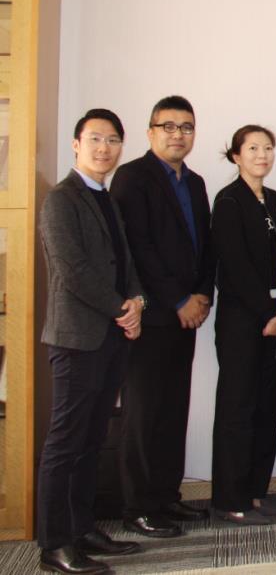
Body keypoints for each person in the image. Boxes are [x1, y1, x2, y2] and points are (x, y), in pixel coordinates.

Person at [36, 109, 146, 575]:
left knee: (91, 438)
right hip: (77, 339)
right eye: (95, 139)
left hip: (111, 337)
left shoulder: (106, 197)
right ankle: (54, 544)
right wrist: (122, 309)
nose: (105, 148)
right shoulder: (61, 199)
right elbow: (72, 271)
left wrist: (137, 301)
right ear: (76, 144)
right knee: (65, 442)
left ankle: (82, 530)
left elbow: (125, 262)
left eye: (113, 140)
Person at [111, 95, 216, 537]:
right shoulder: (132, 178)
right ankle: (137, 506)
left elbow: (207, 245)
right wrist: (178, 300)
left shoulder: (195, 182)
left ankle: (166, 497)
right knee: (143, 413)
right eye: (168, 126)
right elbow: (138, 248)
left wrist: (203, 295)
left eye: (186, 127)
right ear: (150, 131)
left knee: (174, 409)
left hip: (187, 315)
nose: (178, 134)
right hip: (150, 317)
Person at [210, 125, 276, 525]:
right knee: (238, 407)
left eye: (268, 148)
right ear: (236, 155)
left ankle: (256, 491)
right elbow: (236, 267)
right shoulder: (228, 201)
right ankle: (230, 498)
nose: (262, 155)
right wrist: (267, 314)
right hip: (243, 320)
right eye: (253, 148)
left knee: (266, 407)